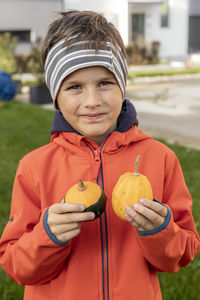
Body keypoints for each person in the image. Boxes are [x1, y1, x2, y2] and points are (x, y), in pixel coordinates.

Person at [0, 10, 199, 300]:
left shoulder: (160, 158)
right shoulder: (34, 167)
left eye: (105, 83)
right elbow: (15, 266)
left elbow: (182, 255)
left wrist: (160, 230)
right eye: (75, 87)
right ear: (56, 96)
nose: (92, 101)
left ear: (122, 86)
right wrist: (48, 235)